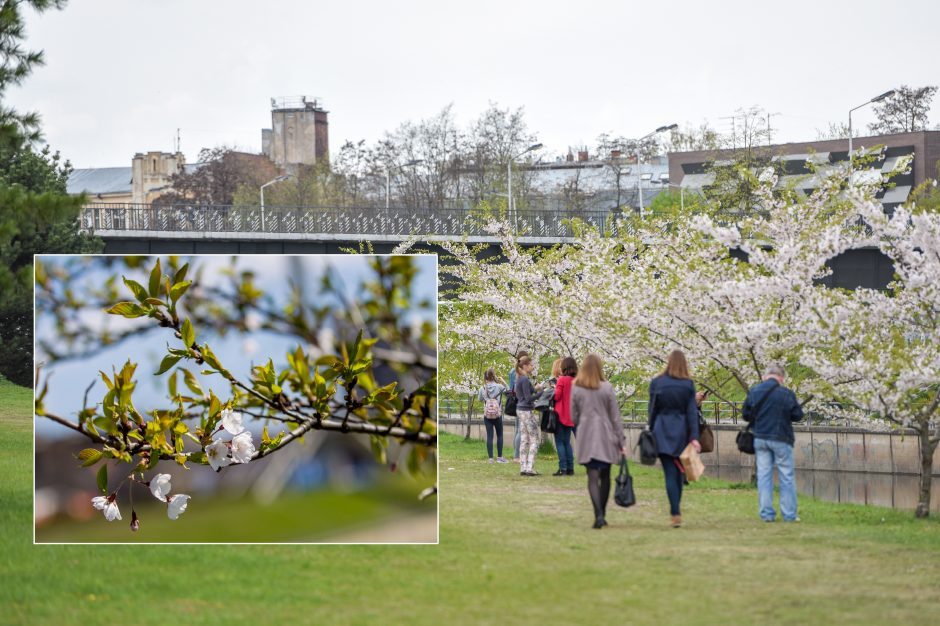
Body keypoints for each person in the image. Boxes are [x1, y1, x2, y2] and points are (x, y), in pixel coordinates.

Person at [743, 364, 804, 523]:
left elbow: (745, 414)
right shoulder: (786, 394)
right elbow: (797, 415)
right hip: (781, 438)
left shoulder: (755, 391)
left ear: (765, 376)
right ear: (781, 378)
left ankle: (766, 514)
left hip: (760, 438)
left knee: (764, 476)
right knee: (786, 476)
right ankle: (789, 514)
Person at [571, 354, 624, 528]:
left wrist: (582, 423)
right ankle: (602, 513)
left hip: (586, 433)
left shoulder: (577, 388)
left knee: (592, 476)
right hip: (605, 433)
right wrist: (620, 439)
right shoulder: (607, 387)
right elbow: (615, 416)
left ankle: (598, 514)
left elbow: (574, 416)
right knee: (605, 475)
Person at [648, 349, 700, 528]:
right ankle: (676, 510)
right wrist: (694, 436)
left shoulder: (657, 383)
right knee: (679, 471)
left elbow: (652, 410)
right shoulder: (687, 385)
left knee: (670, 471)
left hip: (661, 429)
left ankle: (675, 512)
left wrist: (651, 429)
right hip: (682, 430)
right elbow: (692, 412)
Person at [514, 356, 543, 476]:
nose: (532, 366)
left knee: (525, 439)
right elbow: (528, 398)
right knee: (535, 438)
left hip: (520, 410)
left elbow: (525, 393)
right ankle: (530, 467)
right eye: (531, 365)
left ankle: (523, 467)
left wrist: (535, 388)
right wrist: (541, 393)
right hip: (526, 411)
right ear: (525, 366)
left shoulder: (520, 378)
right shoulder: (525, 379)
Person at [552, 357, 578, 476]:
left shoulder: (562, 380)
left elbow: (557, 396)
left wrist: (553, 391)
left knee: (559, 442)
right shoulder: (576, 381)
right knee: (567, 442)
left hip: (560, 414)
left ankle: (563, 468)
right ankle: (570, 468)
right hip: (571, 416)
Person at [478, 368, 510, 463]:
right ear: (494, 376)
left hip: (487, 415)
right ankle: (500, 458)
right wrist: (503, 381)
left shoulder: (482, 388)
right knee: (500, 435)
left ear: (485, 377)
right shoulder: (499, 386)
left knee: (489, 436)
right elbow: (509, 392)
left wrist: (487, 399)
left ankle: (490, 459)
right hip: (497, 414)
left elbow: (479, 399)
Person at [508, 351, 529, 463]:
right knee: (520, 430)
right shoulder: (518, 373)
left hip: (515, 401)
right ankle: (517, 455)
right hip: (521, 402)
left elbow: (511, 388)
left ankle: (516, 453)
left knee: (517, 429)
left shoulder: (512, 371)